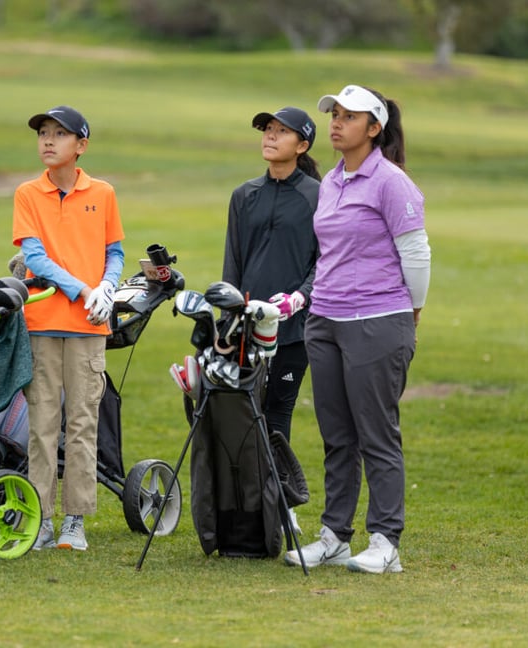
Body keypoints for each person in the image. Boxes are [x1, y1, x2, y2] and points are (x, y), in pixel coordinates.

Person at [284, 85, 430, 574]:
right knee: (337, 436)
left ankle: (386, 541)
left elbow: (415, 253)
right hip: (326, 319)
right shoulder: (332, 182)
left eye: (350, 117)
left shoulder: (391, 182)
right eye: (335, 115)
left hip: (377, 320)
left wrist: (412, 312)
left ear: (374, 129)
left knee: (376, 434)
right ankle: (335, 536)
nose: (336, 123)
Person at [11, 105, 125, 552]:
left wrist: (108, 289)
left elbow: (114, 251)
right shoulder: (27, 194)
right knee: (41, 424)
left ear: (81, 145)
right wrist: (84, 290)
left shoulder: (104, 192)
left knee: (81, 424)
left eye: (59, 134)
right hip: (41, 321)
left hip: (89, 326)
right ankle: (39, 518)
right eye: (42, 132)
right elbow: (34, 258)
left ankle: (73, 521)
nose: (47, 141)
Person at [221, 106, 321, 535]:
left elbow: (326, 262)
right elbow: (234, 263)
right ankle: (249, 503)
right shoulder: (245, 195)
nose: (271, 137)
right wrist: (228, 319)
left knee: (276, 412)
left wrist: (301, 298)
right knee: (244, 412)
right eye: (267, 130)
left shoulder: (319, 196)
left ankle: (283, 503)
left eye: (282, 132)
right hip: (247, 327)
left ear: (302, 145)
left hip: (295, 329)